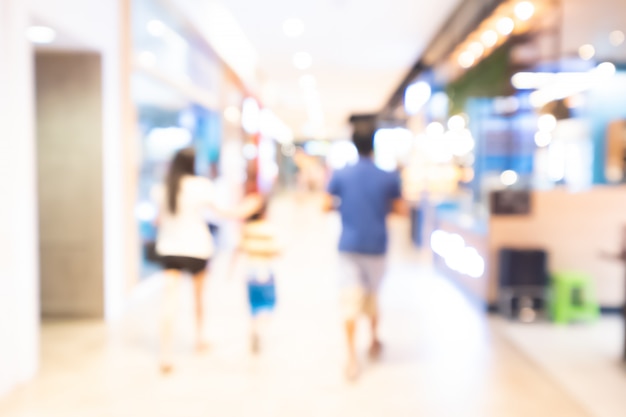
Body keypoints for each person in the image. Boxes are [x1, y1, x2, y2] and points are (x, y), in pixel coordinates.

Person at [323, 130, 408, 381]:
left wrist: (347, 206)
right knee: (372, 295)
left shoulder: (341, 174)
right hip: (376, 245)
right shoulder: (388, 176)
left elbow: (325, 205)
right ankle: (373, 340)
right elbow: (401, 209)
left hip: (348, 244)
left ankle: (351, 357)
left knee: (349, 299)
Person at [153, 147, 220, 374]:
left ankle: (165, 353)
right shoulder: (201, 186)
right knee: (199, 299)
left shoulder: (163, 188)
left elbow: (158, 221)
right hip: (197, 249)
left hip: (170, 249)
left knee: (169, 301)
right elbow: (220, 212)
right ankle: (200, 338)